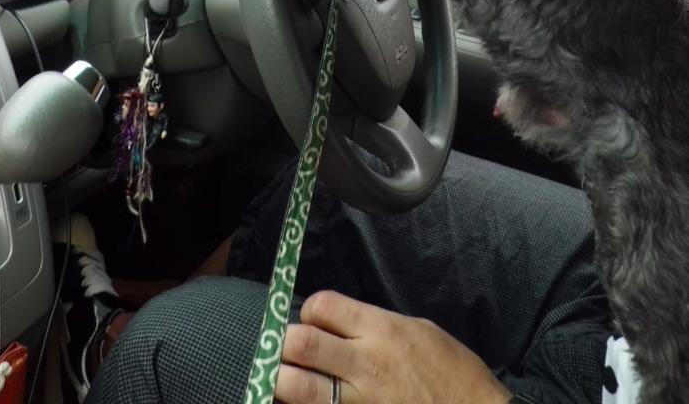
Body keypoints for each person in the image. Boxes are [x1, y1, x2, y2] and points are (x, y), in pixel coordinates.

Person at [87, 150, 636, 404]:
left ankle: (103, 355)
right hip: (643, 314)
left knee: (168, 345)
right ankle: (138, 305)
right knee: (352, 180)